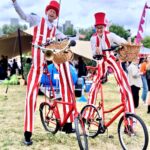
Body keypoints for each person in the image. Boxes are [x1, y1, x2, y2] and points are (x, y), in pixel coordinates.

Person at [12, 0, 75, 145]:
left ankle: (68, 123)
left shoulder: (55, 28)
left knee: (65, 70)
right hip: (38, 57)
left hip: (51, 54)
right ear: (47, 11)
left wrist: (72, 39)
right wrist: (15, 3)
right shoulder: (37, 19)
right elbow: (23, 16)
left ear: (56, 15)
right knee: (32, 91)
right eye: (51, 11)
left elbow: (64, 37)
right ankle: (27, 133)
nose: (52, 13)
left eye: (55, 12)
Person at [87, 12, 135, 116]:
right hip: (100, 61)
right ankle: (87, 115)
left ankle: (130, 118)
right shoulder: (92, 38)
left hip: (111, 58)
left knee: (124, 82)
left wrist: (128, 44)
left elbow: (121, 41)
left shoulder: (110, 35)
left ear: (104, 27)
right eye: (97, 27)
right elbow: (93, 54)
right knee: (94, 85)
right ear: (95, 28)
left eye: (101, 27)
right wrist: (96, 52)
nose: (99, 30)